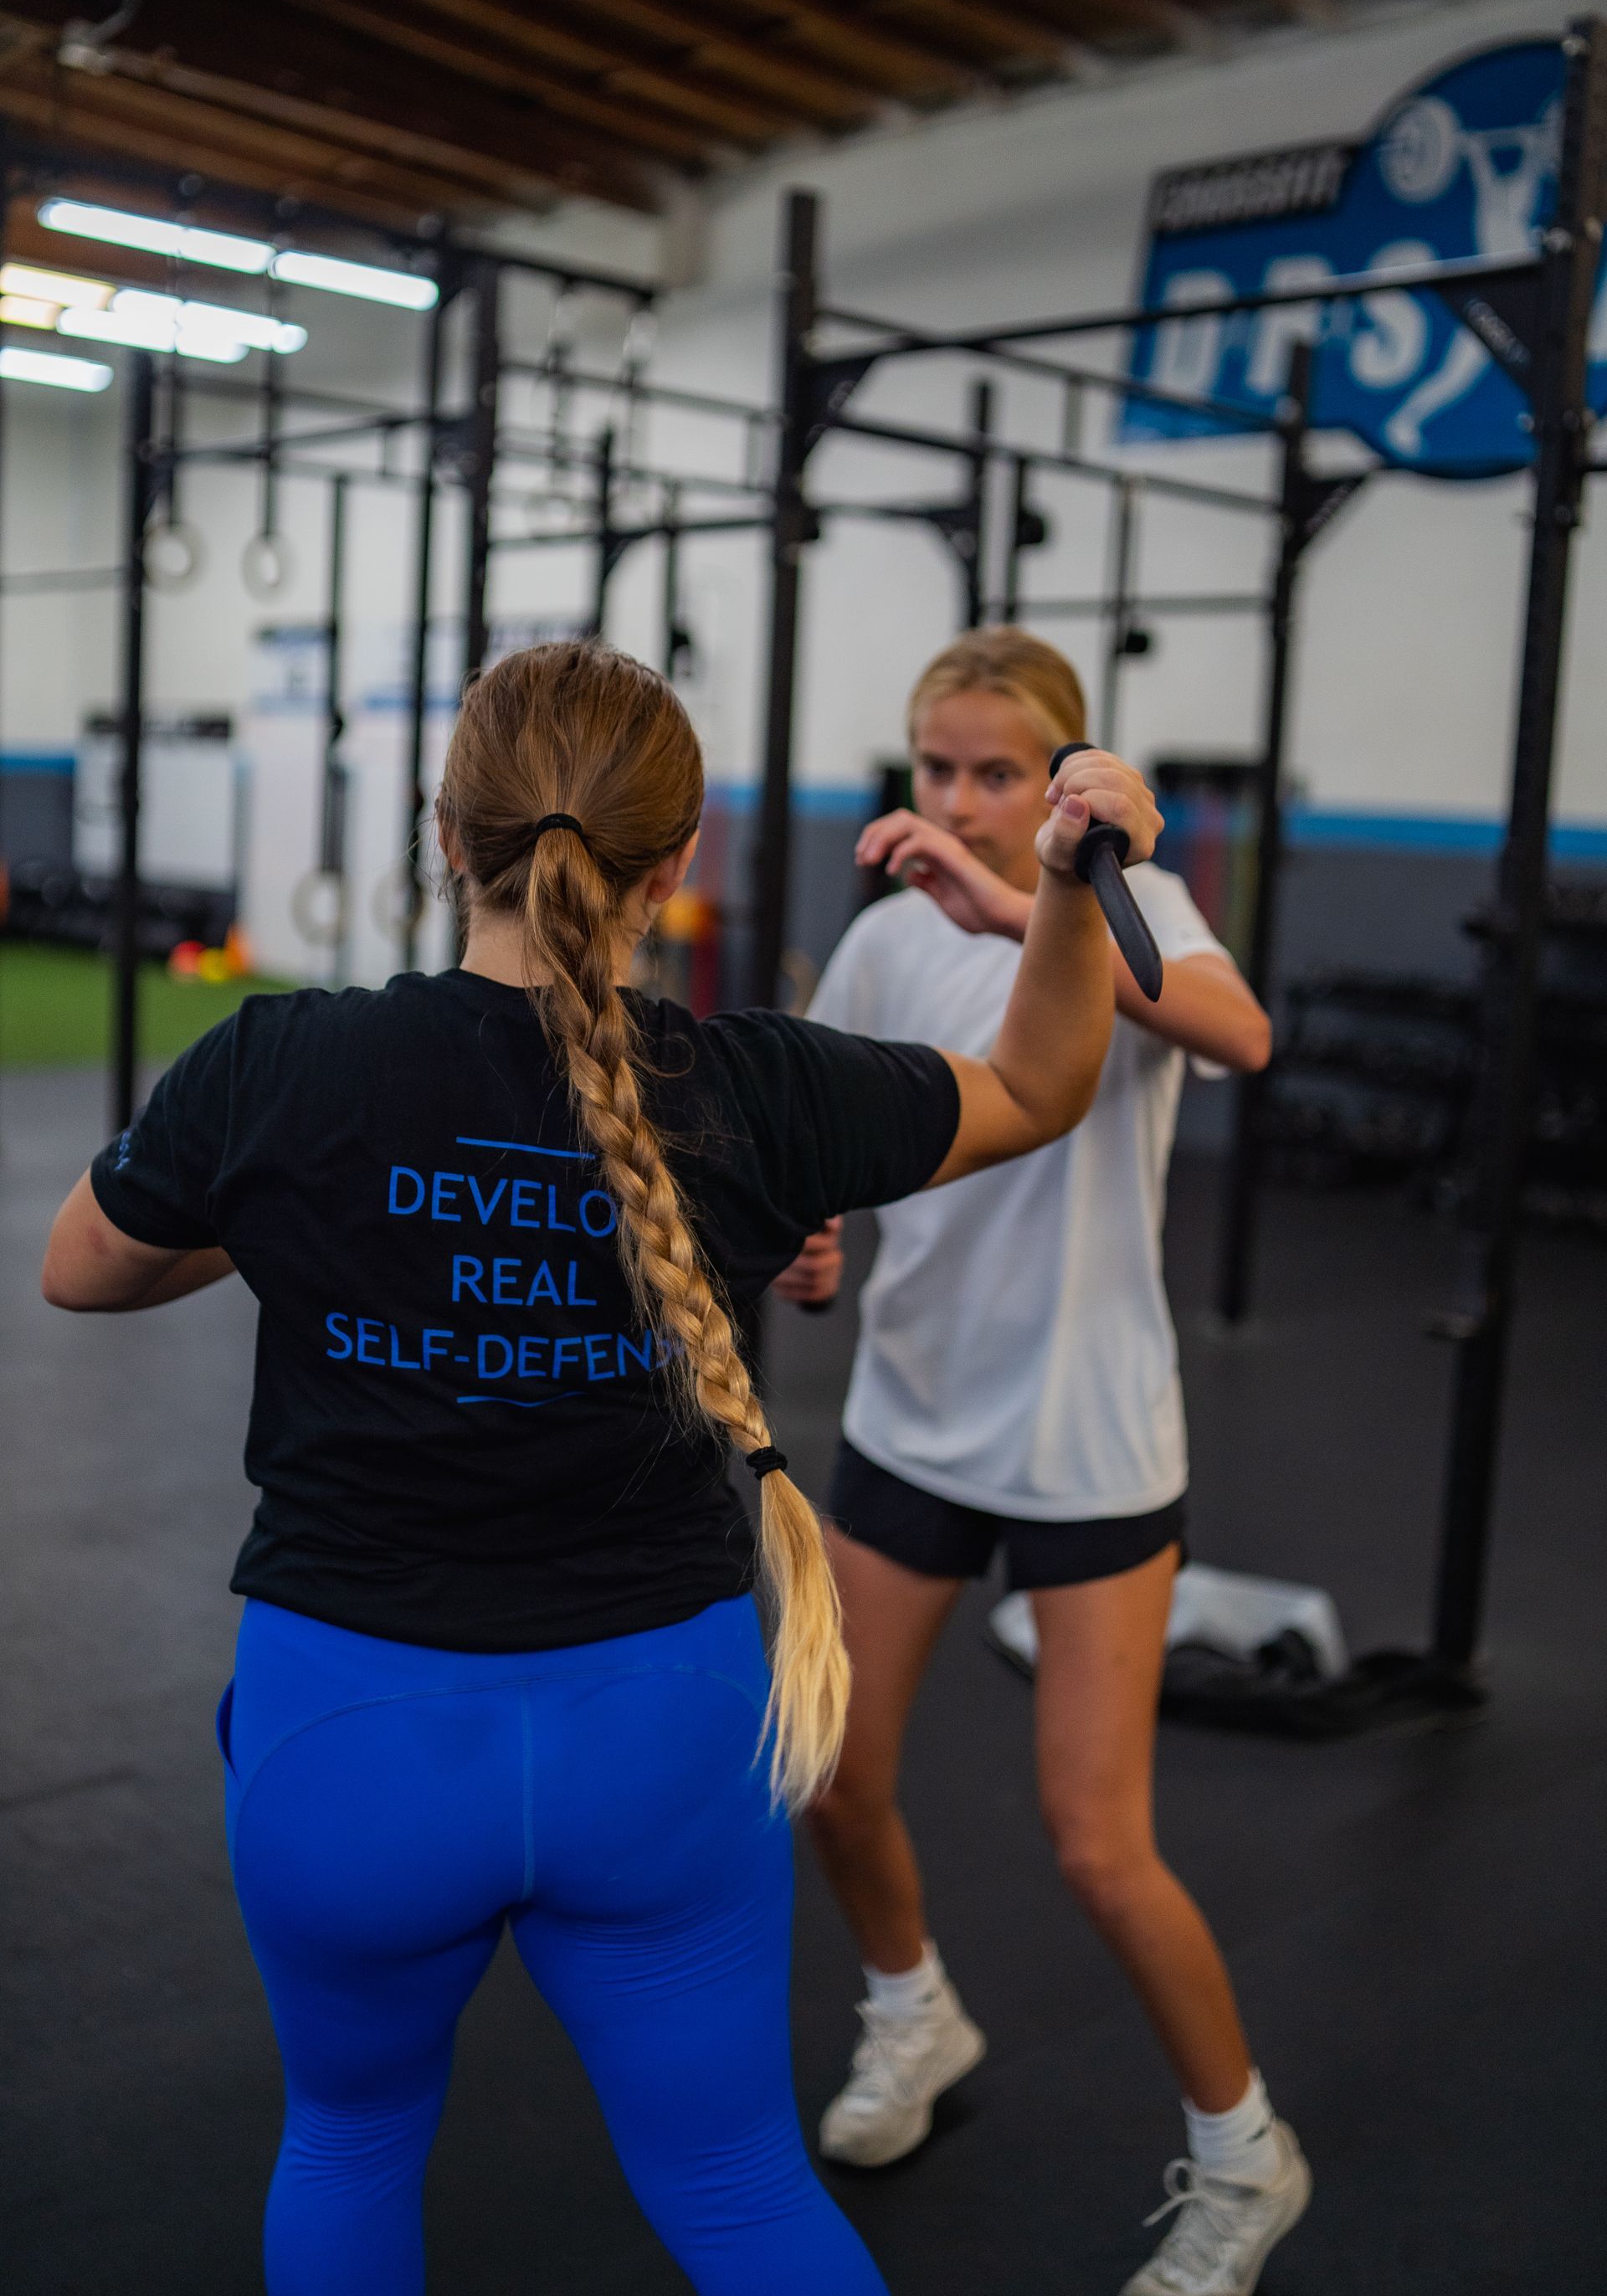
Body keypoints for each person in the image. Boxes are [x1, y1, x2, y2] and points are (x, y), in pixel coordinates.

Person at [42, 638, 1159, 2296]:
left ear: (446, 835)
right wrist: (1068, 884)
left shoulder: (281, 1065)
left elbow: (87, 1266)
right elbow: (1051, 1083)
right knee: (736, 2184)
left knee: (347, 2147)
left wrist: (297, 1208)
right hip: (667, 1740)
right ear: (680, 860)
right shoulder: (760, 1091)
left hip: (350, 1742)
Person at [781, 627, 1308, 2296]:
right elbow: (822, 1115)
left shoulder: (1123, 915)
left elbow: (1242, 1037)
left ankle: (1248, 2157)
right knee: (832, 1777)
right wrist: (808, 1229)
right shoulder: (874, 942)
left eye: (997, 772)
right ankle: (910, 2012)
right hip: (910, 1421)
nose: (959, 799)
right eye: (936, 769)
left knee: (1100, 1845)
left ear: (1062, 776)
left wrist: (1036, 902)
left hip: (1086, 1448)